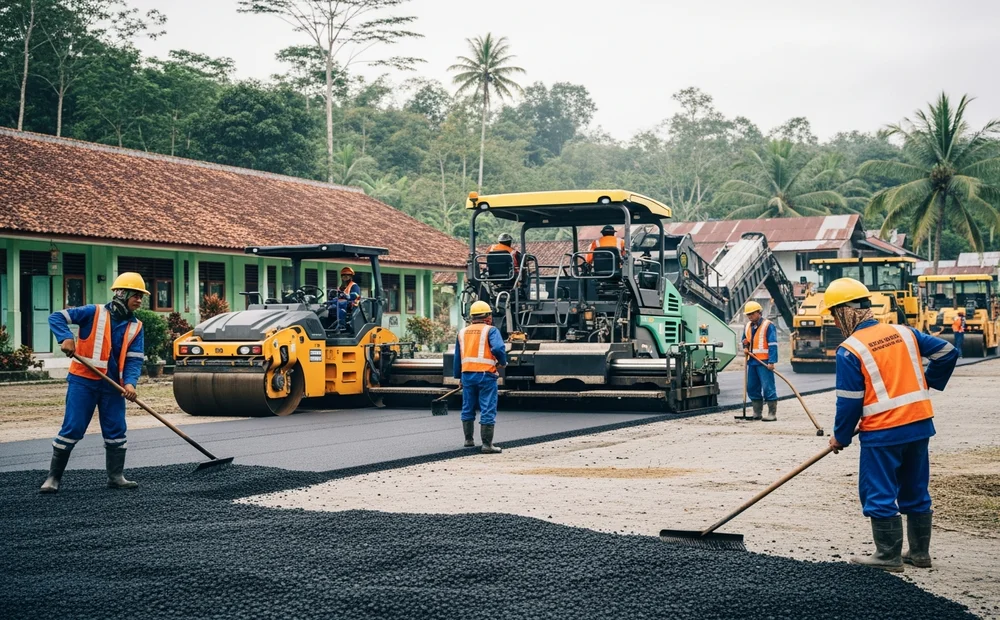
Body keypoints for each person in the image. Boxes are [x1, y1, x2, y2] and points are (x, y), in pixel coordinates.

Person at [825, 277, 958, 572]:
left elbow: (849, 402)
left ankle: (888, 556)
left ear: (846, 311)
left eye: (834, 314)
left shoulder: (850, 350)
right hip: (919, 425)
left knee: (879, 491)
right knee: (915, 488)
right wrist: (927, 382)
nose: (834, 322)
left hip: (883, 432)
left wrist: (840, 437)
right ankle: (919, 554)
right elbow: (948, 353)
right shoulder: (904, 332)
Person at [40, 272, 147, 493]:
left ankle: (116, 477)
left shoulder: (136, 326)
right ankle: (53, 478)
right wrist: (65, 337)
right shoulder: (93, 312)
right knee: (73, 427)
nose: (139, 300)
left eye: (141, 296)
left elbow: (134, 359)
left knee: (116, 429)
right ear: (121, 293)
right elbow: (56, 317)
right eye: (135, 295)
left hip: (113, 386)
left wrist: (130, 384)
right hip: (84, 382)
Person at [453, 300, 508, 454]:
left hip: (467, 375)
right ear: (488, 316)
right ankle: (487, 445)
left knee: (467, 406)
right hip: (486, 375)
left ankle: (468, 440)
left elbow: (458, 357)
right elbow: (498, 348)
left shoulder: (462, 332)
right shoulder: (491, 330)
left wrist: (459, 377)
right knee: (487, 407)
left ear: (472, 317)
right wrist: (502, 362)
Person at [742, 301, 778, 421]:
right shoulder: (748, 326)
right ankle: (757, 413)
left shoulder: (768, 325)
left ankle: (772, 413)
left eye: (752, 313)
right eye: (748, 314)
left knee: (768, 387)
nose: (750, 316)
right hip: (752, 361)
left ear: (759, 312)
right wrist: (745, 346)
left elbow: (773, 344)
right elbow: (745, 339)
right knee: (752, 387)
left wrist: (772, 361)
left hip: (764, 362)